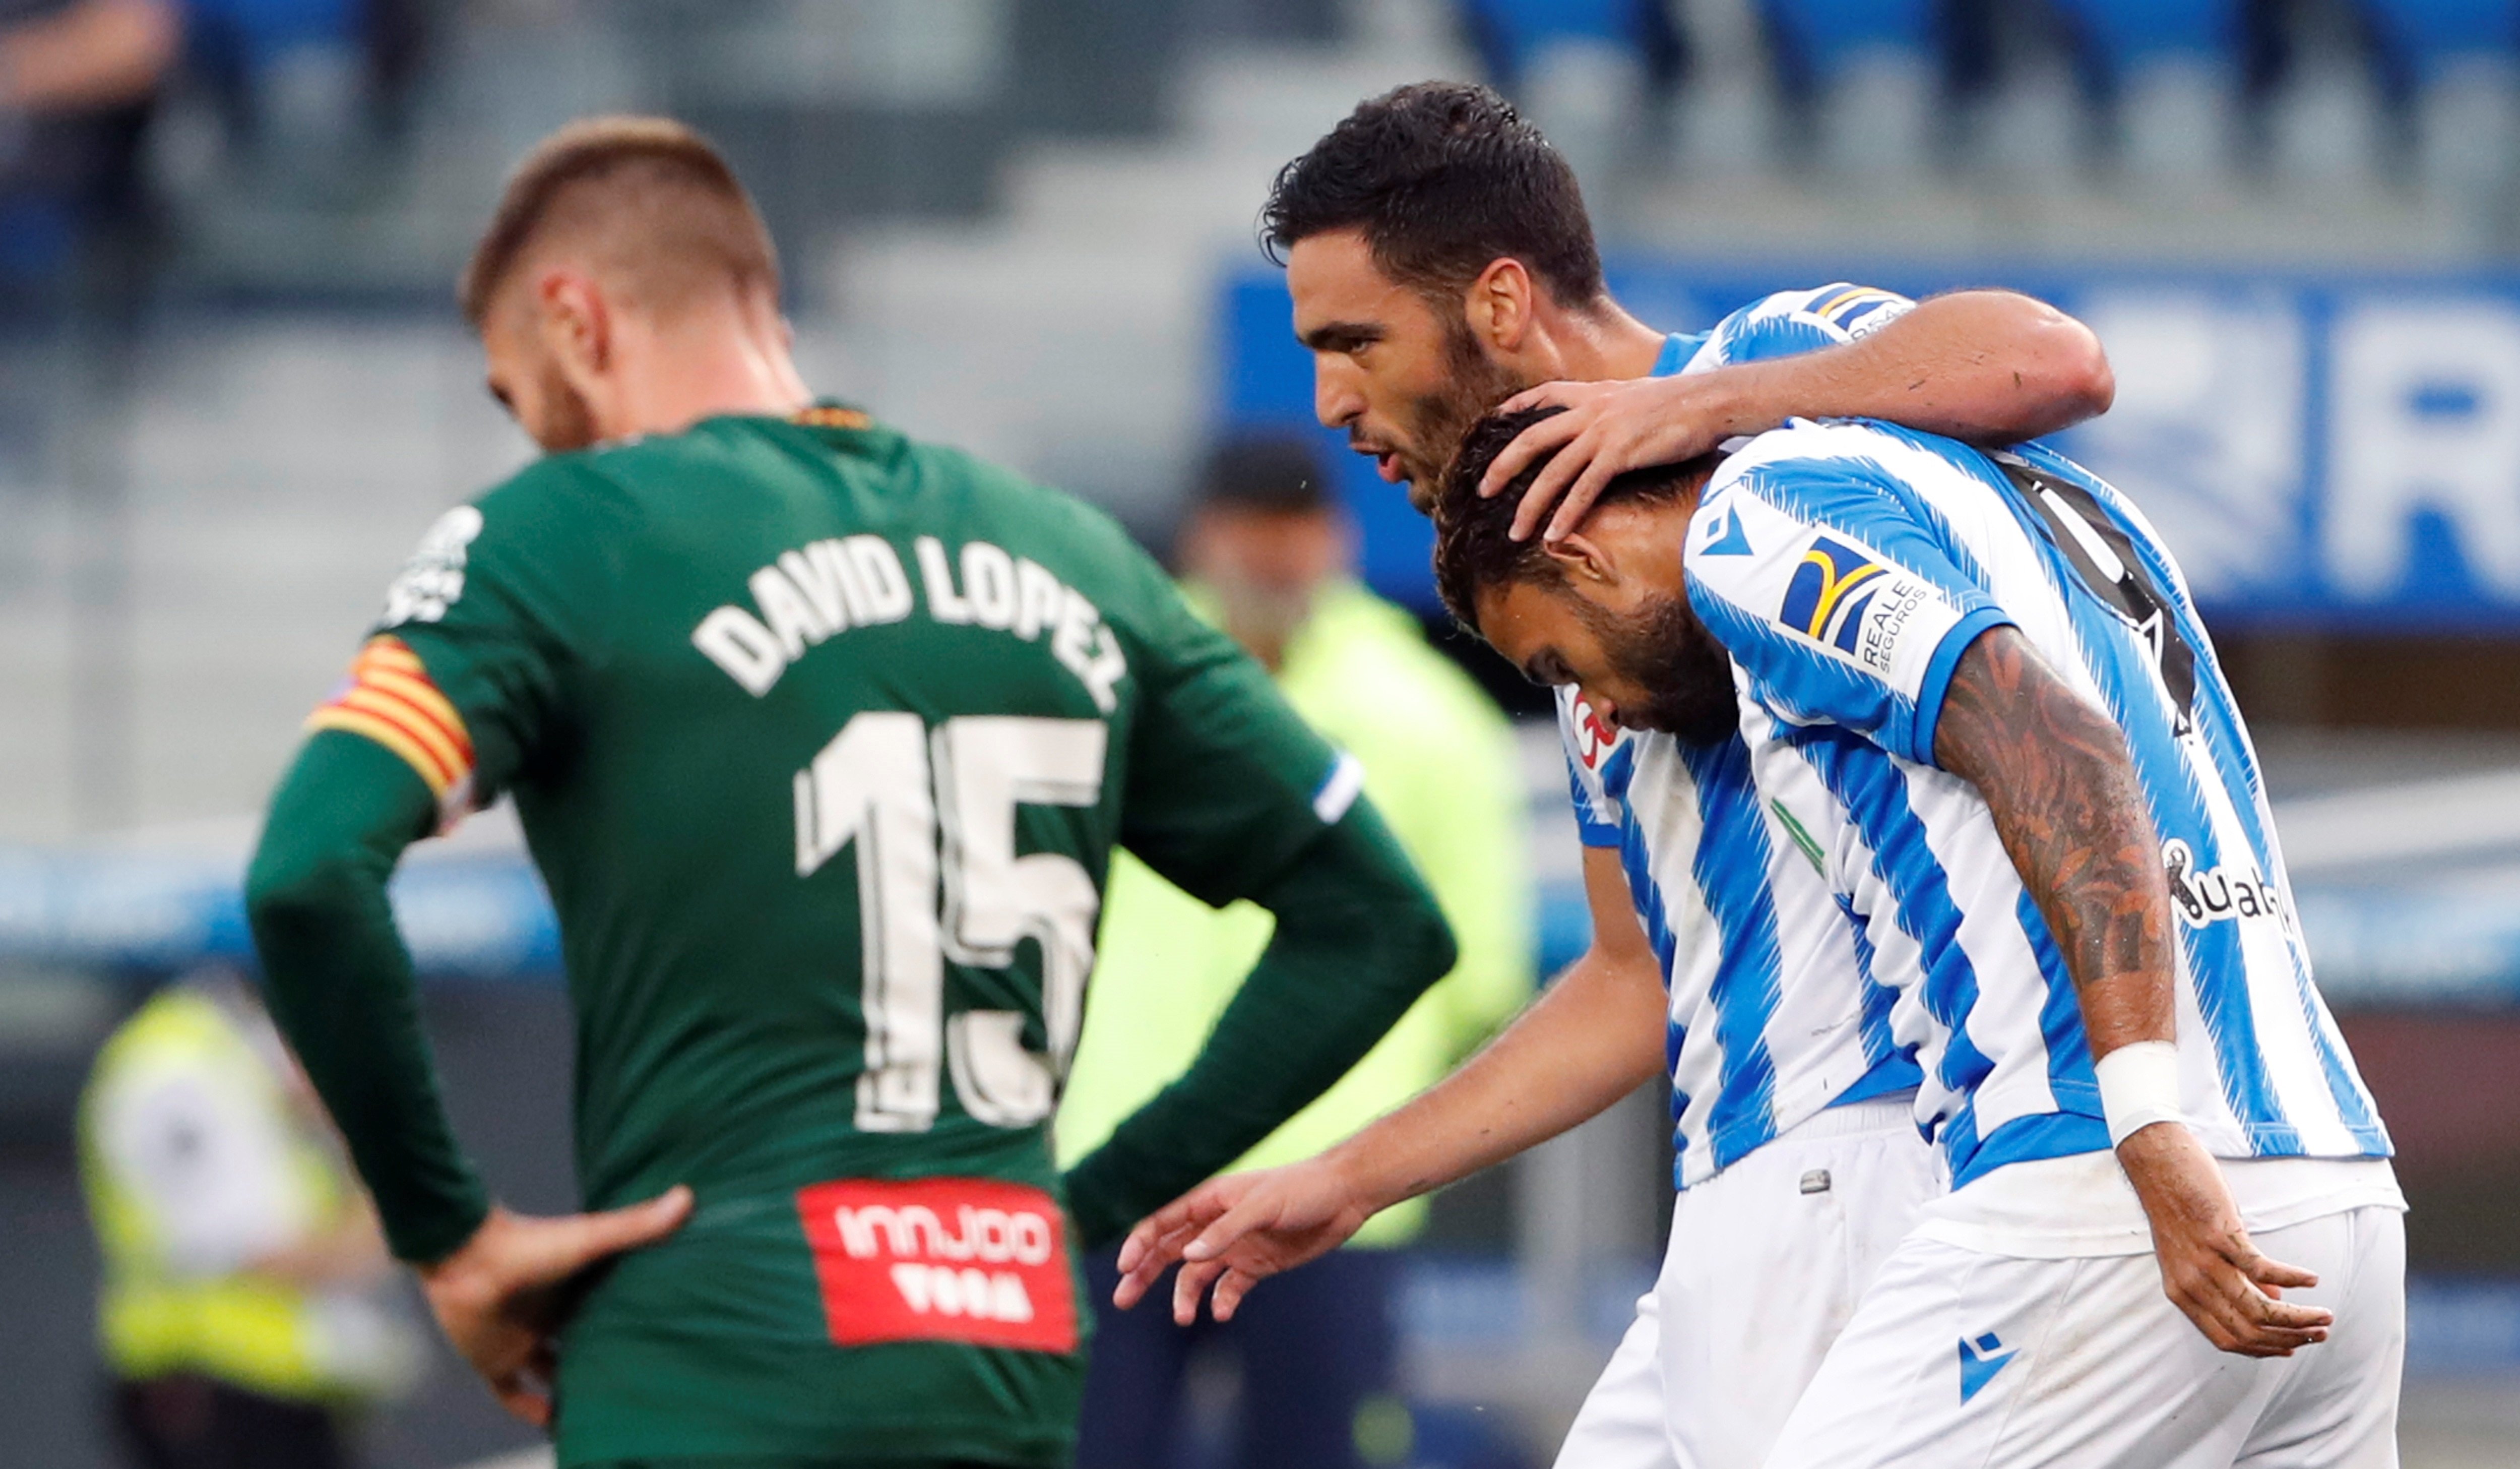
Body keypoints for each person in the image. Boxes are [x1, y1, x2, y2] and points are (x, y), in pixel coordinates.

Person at [240, 115, 1460, 1469]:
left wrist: (449, 1237)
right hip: (998, 1354)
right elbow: (1380, 922)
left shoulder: (565, 535)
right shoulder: (1073, 554)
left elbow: (307, 870)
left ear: (576, 322)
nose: (536, 441)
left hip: (716, 1351)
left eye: (519, 395)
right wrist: (1080, 1207)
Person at [1111, 81, 2117, 1469]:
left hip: (1876, 1168)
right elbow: (1629, 978)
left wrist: (1693, 406)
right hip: (1738, 1196)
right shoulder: (1574, 600)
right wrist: (1345, 1177)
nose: (1331, 402)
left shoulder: (1763, 399)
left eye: (1354, 342)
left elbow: (2052, 360)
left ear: (1502, 304)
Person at [1425, 404, 2404, 1467]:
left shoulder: (1748, 534)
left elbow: (2061, 747)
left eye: (1559, 661)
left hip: (2108, 1181)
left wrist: (2145, 1118)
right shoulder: (2031, 497)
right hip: (2338, 1182)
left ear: (1577, 548)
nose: (1595, 703)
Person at [1057, 433, 1531, 1469]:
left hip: (1323, 1181)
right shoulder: (1108, 679)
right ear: (1200, 535)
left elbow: (1477, 967)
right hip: (1112, 1162)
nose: (1276, 554)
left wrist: (1377, 1124)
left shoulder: (1424, 715)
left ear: (1339, 536)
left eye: (1297, 526)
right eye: (1253, 528)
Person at [80, 968, 421, 1469]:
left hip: (279, 1398)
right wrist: (399, 1217)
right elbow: (259, 1250)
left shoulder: (244, 1058)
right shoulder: (178, 1067)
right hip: (219, 1397)